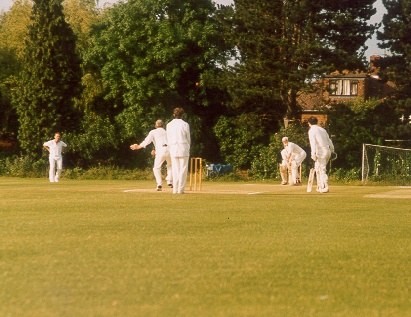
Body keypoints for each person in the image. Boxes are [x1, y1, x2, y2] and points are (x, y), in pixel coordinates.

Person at [130, 120, 172, 191]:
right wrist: (155, 150)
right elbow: (167, 143)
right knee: (170, 165)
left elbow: (147, 141)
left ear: (155, 126)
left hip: (160, 150)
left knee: (156, 168)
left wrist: (138, 146)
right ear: (163, 126)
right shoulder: (167, 132)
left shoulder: (153, 132)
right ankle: (170, 180)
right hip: (169, 150)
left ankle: (159, 184)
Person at [166, 107, 191, 194]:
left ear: (174, 115)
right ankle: (180, 190)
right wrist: (188, 147)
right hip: (183, 148)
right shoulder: (185, 124)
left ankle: (175, 190)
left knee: (175, 169)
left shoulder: (169, 125)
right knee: (183, 169)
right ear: (182, 115)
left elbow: (168, 139)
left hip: (173, 148)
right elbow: (188, 138)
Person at [307, 116, 334, 193]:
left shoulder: (312, 130)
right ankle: (320, 186)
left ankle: (325, 186)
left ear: (309, 123)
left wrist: (313, 154)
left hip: (321, 151)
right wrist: (332, 150)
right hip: (327, 151)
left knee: (322, 169)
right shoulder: (322, 129)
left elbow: (313, 143)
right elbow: (329, 140)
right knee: (318, 168)